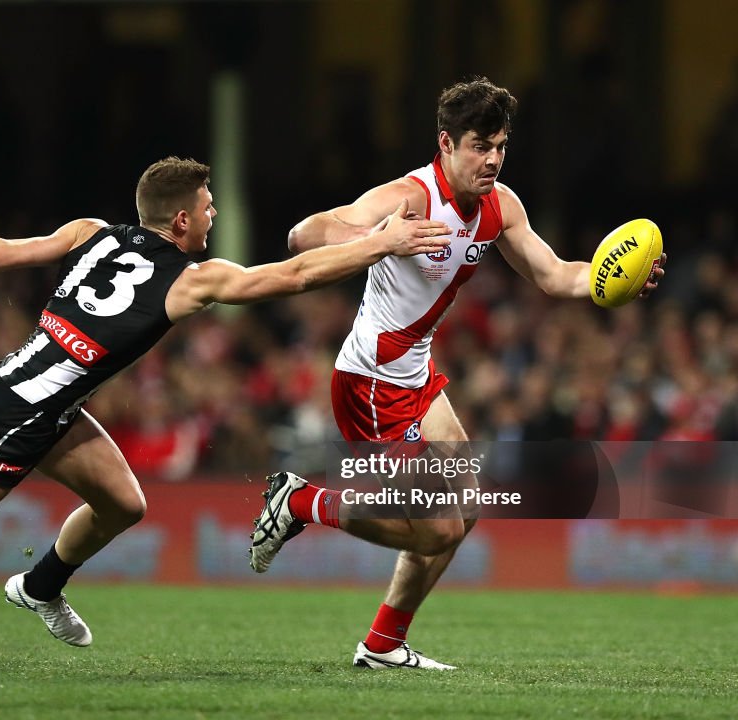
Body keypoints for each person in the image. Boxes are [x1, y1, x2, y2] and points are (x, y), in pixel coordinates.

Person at [0, 156, 454, 666]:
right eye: (208, 206)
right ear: (181, 220)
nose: (215, 215)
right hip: (18, 415)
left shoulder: (95, 232)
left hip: (46, 401)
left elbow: (8, 253)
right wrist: (381, 244)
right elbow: (293, 274)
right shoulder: (189, 280)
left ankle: (39, 584)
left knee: (122, 503)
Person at [248, 78, 666, 670]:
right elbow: (304, 235)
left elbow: (554, 276)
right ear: (445, 142)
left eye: (500, 146)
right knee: (437, 530)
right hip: (371, 382)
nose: (492, 159)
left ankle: (383, 645)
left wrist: (610, 280)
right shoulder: (411, 197)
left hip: (415, 378)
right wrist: (382, 238)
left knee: (467, 507)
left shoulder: (501, 206)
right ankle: (303, 504)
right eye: (479, 145)